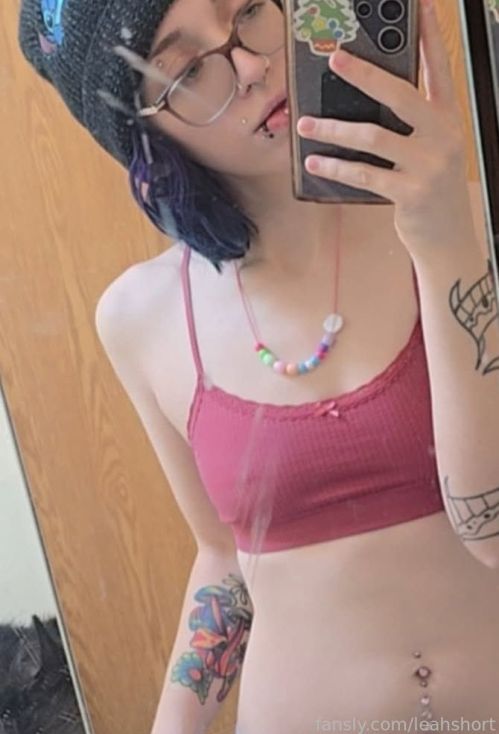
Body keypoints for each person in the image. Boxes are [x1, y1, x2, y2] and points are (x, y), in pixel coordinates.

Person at [18, 0, 499, 732]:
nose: (248, 66)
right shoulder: (141, 317)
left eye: (246, 12)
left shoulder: (473, 224)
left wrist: (446, 246)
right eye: (187, 71)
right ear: (146, 132)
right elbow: (224, 558)